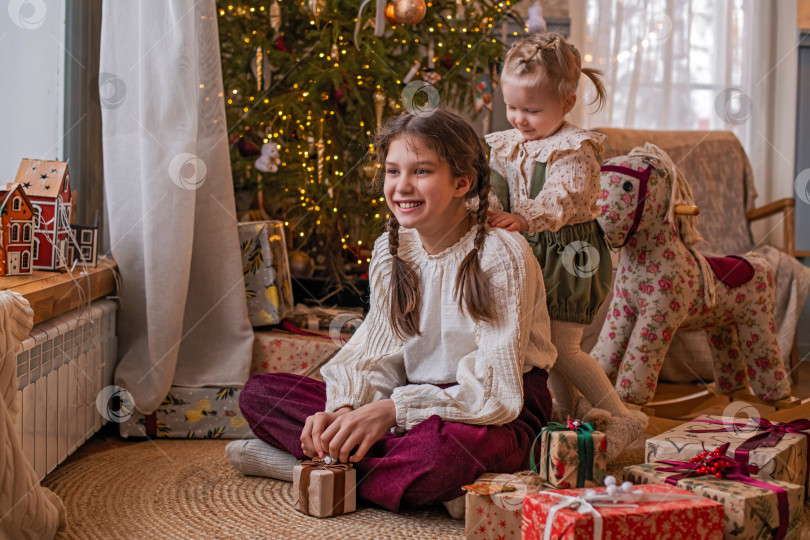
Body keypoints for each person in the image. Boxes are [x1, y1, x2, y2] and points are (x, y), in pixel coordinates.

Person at [228, 109, 556, 516]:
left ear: (461, 182)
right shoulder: (390, 250)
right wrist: (346, 410)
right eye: (392, 171)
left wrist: (392, 411)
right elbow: (376, 352)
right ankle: (391, 475)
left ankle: (304, 466)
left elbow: (496, 393)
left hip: (497, 409)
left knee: (442, 456)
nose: (402, 186)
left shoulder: (502, 255)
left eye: (421, 171)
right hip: (409, 401)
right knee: (260, 393)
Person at [485, 32, 647, 461]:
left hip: (570, 255)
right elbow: (496, 186)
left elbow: (561, 199)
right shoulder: (506, 143)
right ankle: (568, 413)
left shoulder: (574, 149)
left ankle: (622, 414)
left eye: (532, 110)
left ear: (567, 102)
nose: (519, 118)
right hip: (531, 254)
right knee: (545, 348)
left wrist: (523, 218)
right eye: (512, 107)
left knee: (563, 347)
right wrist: (488, 208)